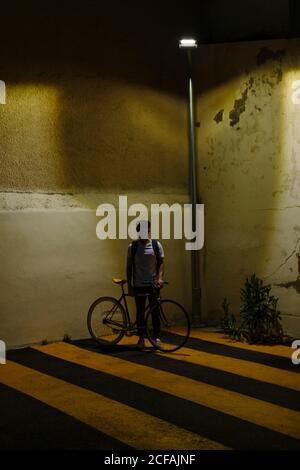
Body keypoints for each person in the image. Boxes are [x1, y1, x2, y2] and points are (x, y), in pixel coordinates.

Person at [126, 220, 164, 348]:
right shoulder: (133, 247)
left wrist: (160, 278)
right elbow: (128, 267)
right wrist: (130, 286)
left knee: (155, 311)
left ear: (148, 230)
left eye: (145, 229)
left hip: (153, 284)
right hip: (138, 284)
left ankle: (157, 338)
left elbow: (161, 263)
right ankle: (141, 338)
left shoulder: (156, 245)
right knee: (140, 312)